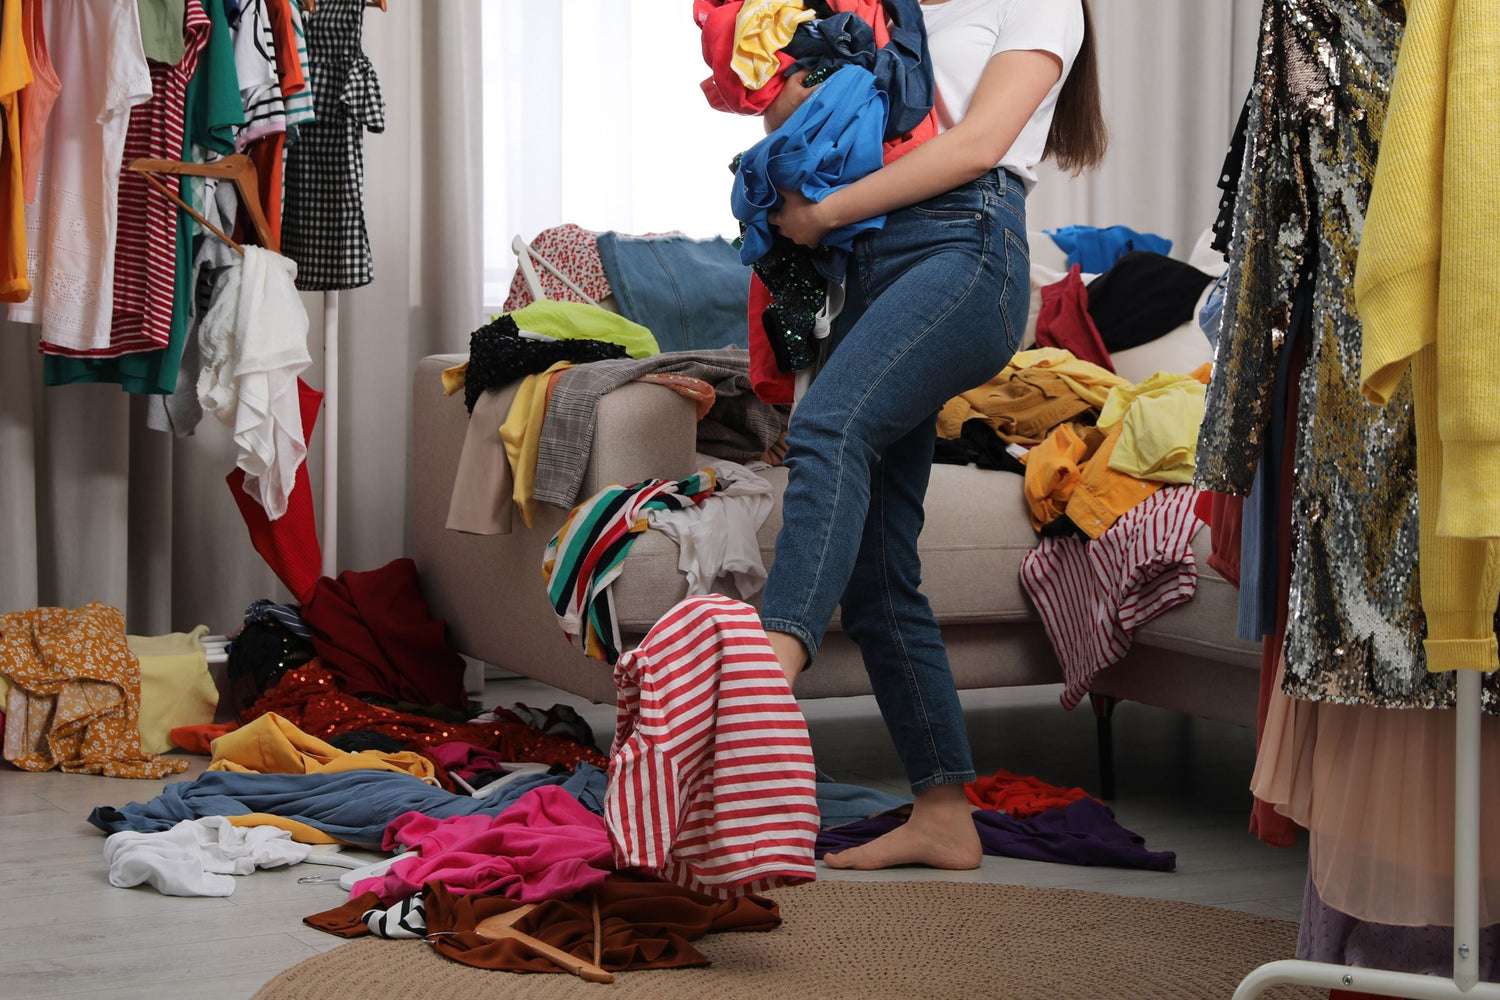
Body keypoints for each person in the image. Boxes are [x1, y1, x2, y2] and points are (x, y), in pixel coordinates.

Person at [756, 0, 1106, 871]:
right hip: (867, 264)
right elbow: (784, 116)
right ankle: (944, 811)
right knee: (877, 567)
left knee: (828, 425)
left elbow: (979, 143)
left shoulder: (1040, 3)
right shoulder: (880, 7)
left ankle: (762, 678)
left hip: (965, 248)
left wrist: (826, 213)